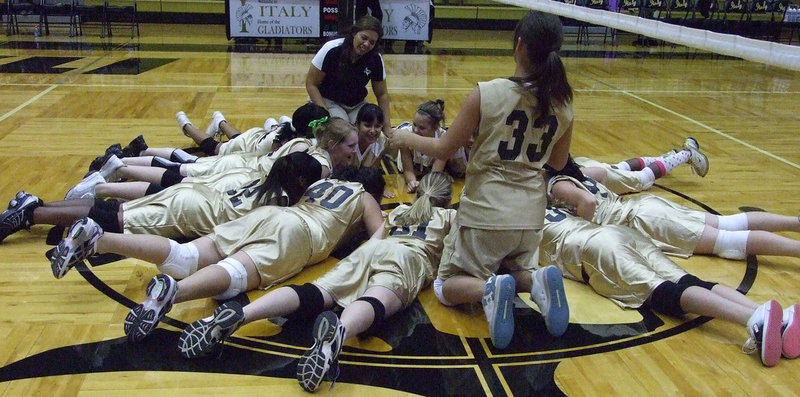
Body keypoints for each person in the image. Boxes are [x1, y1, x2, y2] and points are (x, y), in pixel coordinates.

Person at [388, 12, 574, 349]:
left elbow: (444, 147)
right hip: (531, 215)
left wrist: (405, 140)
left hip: (487, 211)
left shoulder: (488, 93)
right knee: (509, 266)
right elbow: (559, 162)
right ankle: (535, 282)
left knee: (446, 287)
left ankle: (488, 290)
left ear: (518, 45)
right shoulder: (563, 102)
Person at [176, 172, 456, 392]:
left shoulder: (399, 212)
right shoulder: (450, 217)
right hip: (408, 256)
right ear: (445, 199)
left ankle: (243, 314)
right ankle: (338, 336)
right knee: (376, 299)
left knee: (316, 292)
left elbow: (374, 240)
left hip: (371, 251)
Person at [48, 166, 386, 344]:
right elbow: (378, 238)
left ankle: (101, 238)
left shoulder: (320, 184)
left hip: (270, 216)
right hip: (300, 235)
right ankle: (174, 293)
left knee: (185, 256)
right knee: (234, 273)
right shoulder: (366, 198)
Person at [540, 206, 800, 367]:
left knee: (666, 294)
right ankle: (773, 315)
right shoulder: (544, 184)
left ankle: (753, 318)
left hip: (594, 248)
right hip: (620, 231)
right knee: (692, 281)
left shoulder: (512, 215)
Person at [0, 152, 322, 254]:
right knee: (111, 219)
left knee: (113, 210)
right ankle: (33, 214)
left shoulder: (267, 179)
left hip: (193, 194)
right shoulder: (280, 204)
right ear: (300, 183)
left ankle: (34, 207)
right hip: (190, 209)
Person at [66, 117, 357, 203]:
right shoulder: (322, 166)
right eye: (351, 146)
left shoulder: (302, 141)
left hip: (244, 166)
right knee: (178, 179)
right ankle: (120, 170)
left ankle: (125, 166)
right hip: (244, 177)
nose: (354, 152)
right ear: (331, 144)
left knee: (180, 173)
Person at [547, 167, 800, 261]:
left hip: (642, 221)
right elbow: (603, 174)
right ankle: (795, 223)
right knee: (729, 223)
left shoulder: (554, 185)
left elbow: (588, 202)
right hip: (646, 208)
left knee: (729, 243)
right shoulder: (579, 170)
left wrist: (584, 228)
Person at [306, 15, 393, 137]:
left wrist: (387, 126)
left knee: (374, 134)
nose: (366, 44)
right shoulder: (332, 49)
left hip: (356, 104)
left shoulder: (376, 59)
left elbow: (382, 94)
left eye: (372, 42)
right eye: (364, 38)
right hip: (329, 101)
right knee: (342, 133)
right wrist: (324, 114)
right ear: (354, 33)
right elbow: (311, 84)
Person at [575, 137, 709, 195]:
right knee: (617, 169)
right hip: (581, 164)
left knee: (640, 179)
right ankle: (665, 159)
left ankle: (687, 154)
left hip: (583, 176)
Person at [396, 99, 468, 192]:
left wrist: (425, 186)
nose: (416, 130)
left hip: (431, 169)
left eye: (421, 128)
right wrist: (412, 183)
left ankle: (446, 170)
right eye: (414, 124)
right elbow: (408, 170)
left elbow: (434, 174)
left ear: (435, 128)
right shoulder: (405, 134)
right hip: (411, 168)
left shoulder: (443, 138)